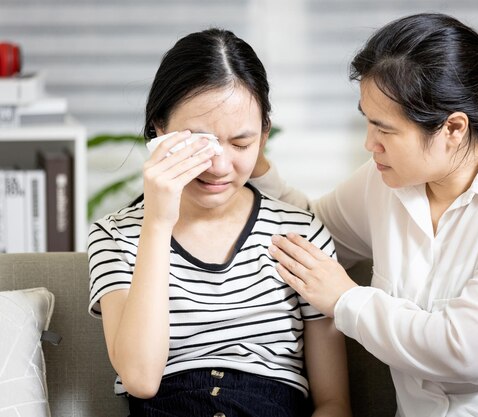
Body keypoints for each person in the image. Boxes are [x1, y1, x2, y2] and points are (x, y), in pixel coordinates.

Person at [251, 13, 478, 417]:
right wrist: (246, 156)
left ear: (452, 129)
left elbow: (469, 351)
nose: (369, 143)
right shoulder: (385, 184)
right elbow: (308, 226)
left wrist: (346, 300)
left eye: (385, 130)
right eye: (367, 121)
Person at [87, 28, 352, 417]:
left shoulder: (302, 233)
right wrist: (158, 223)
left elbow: (333, 403)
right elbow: (140, 378)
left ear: (264, 134)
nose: (220, 167)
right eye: (200, 142)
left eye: (241, 144)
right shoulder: (116, 235)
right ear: (159, 129)